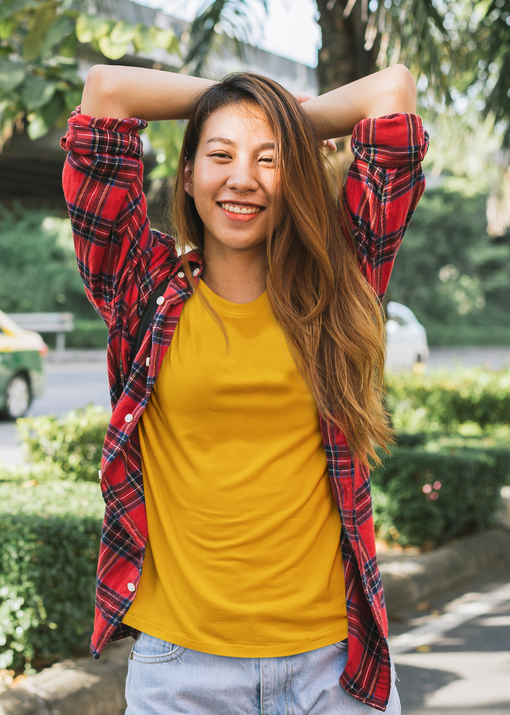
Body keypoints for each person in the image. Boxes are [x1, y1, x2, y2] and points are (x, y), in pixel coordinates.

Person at [61, 62, 428, 714]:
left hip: (333, 669)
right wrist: (243, 102)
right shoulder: (140, 288)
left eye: (269, 160)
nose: (241, 178)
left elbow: (391, 92)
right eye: (220, 154)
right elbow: (106, 93)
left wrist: (269, 116)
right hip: (182, 673)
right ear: (187, 175)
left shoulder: (340, 282)